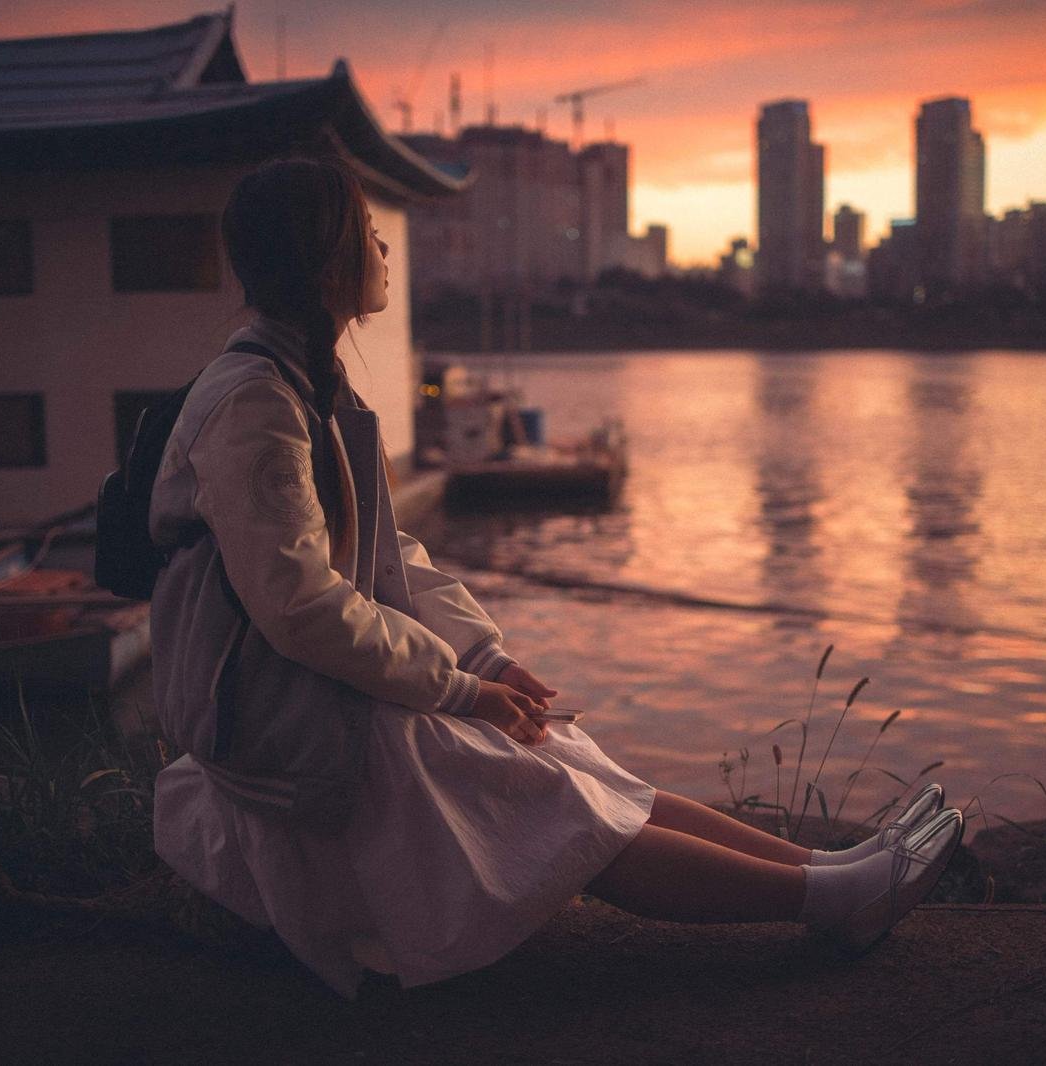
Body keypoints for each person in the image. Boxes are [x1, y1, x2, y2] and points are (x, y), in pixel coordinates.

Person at [147, 156, 965, 999]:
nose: (385, 249)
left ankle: (831, 872)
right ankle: (831, 899)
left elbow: (389, 561)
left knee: (572, 757)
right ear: (327, 264)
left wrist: (486, 661)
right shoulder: (255, 403)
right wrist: (459, 694)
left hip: (314, 685)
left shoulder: (303, 385)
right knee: (553, 800)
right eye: (369, 235)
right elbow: (305, 608)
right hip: (279, 710)